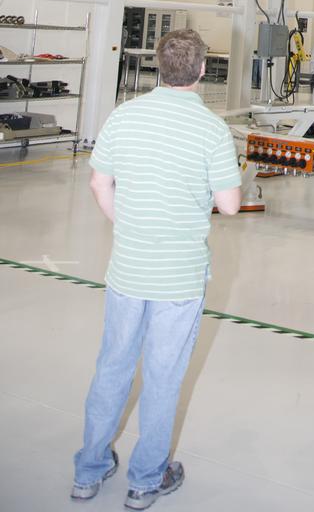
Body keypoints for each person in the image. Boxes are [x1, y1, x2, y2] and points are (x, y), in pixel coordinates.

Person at [72, 29, 241, 510]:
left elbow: (99, 185)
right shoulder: (211, 130)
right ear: (204, 71)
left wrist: (128, 224)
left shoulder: (124, 116)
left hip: (127, 271)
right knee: (164, 379)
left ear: (159, 68)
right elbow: (229, 206)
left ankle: (89, 470)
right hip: (179, 279)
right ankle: (146, 481)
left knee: (112, 368)